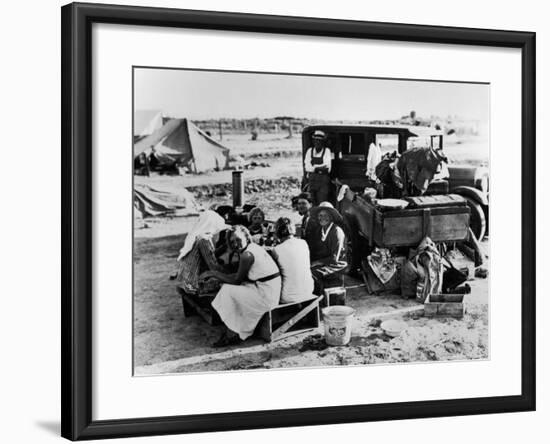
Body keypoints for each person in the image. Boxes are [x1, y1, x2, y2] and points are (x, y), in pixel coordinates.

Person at [203, 225, 282, 347]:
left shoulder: (247, 255)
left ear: (246, 236)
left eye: (238, 239)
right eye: (232, 242)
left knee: (227, 290)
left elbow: (236, 280)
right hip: (268, 289)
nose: (236, 244)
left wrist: (213, 273)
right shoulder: (253, 247)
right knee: (232, 288)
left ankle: (233, 333)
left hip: (267, 295)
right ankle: (237, 328)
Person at [174, 211, 230, 294]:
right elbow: (213, 267)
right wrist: (230, 271)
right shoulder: (204, 240)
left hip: (184, 280)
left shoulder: (197, 236)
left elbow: (209, 254)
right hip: (193, 284)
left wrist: (224, 246)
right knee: (228, 284)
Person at [270, 217, 314, 303]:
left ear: (277, 232)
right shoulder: (303, 243)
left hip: (288, 297)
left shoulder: (277, 250)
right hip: (308, 291)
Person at [308, 202, 348, 287]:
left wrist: (317, 262)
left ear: (331, 217)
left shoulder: (336, 231)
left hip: (336, 265)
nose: (322, 218)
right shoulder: (319, 230)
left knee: (312, 274)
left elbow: (334, 258)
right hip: (324, 263)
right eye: (320, 215)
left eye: (326, 215)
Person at [304, 130, 332, 205]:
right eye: (316, 140)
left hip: (323, 182)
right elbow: (307, 167)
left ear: (323, 142)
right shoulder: (310, 151)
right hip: (312, 182)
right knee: (311, 202)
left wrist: (314, 168)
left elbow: (327, 167)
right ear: (313, 141)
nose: (317, 143)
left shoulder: (327, 151)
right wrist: (318, 168)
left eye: (320, 141)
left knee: (322, 202)